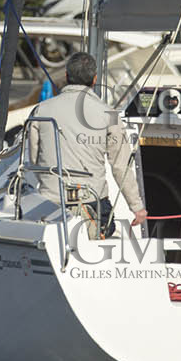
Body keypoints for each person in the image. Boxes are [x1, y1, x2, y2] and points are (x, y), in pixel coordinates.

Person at [28, 51, 147, 239]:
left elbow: (34, 160)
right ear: (95, 79)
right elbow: (120, 166)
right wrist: (137, 207)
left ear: (67, 76)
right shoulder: (109, 114)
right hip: (92, 204)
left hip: (49, 204)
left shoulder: (41, 110)